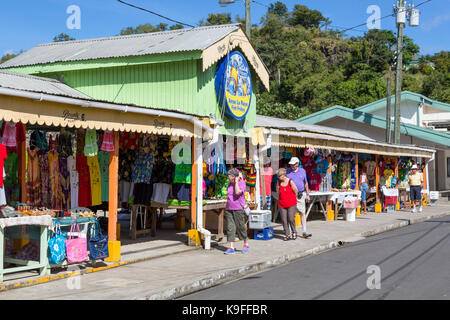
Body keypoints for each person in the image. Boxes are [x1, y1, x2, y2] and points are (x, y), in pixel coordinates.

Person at [224, 168, 249, 254]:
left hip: (238, 208)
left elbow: (238, 192)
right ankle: (231, 247)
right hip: (229, 208)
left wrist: (237, 182)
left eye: (230, 176)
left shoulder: (242, 183)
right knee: (230, 228)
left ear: (234, 176)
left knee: (240, 227)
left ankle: (246, 243)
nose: (228, 177)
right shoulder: (229, 184)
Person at [286, 157, 312, 238]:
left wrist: (307, 194)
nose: (292, 166)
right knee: (291, 213)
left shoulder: (302, 171)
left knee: (302, 212)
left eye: (293, 164)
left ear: (297, 164)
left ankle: (304, 231)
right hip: (291, 194)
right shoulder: (287, 171)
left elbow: (306, 183)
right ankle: (290, 231)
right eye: (291, 164)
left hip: (300, 194)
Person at [276, 168, 299, 240]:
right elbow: (278, 191)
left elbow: (296, 190)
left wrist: (294, 198)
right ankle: (287, 234)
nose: (279, 178)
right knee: (284, 220)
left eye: (280, 176)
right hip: (282, 204)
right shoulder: (279, 182)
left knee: (291, 218)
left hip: (291, 203)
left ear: (283, 175)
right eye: (278, 177)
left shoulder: (290, 181)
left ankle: (294, 232)